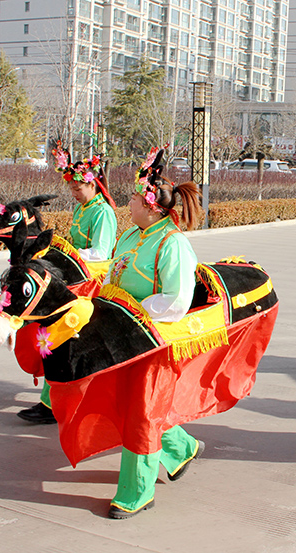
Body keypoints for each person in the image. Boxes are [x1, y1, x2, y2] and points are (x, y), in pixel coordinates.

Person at [105, 147, 204, 518]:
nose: (128, 203)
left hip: (152, 342)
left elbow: (176, 299)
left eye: (133, 198)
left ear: (151, 206)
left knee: (142, 414)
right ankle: (181, 448)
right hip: (120, 334)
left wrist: (134, 313)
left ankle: (137, 492)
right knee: (124, 404)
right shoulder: (131, 235)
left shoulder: (172, 243)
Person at [17, 144, 118, 425]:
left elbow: (100, 252)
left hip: (91, 281)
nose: (74, 192)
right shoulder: (82, 208)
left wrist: (69, 253)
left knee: (61, 334)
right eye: (71, 188)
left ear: (93, 183)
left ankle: (52, 403)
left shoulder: (103, 212)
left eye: (78, 188)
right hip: (75, 276)